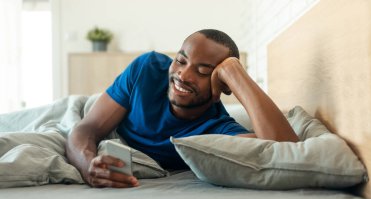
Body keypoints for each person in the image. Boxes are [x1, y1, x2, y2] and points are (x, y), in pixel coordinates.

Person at [66, 29, 299, 188]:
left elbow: (286, 149)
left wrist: (235, 73)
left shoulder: (219, 129)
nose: (183, 75)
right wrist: (89, 166)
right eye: (181, 60)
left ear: (225, 85)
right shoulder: (147, 69)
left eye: (203, 71)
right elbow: (88, 126)